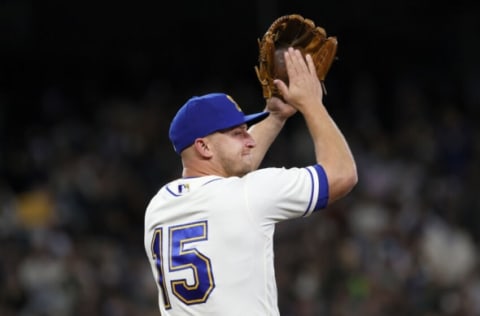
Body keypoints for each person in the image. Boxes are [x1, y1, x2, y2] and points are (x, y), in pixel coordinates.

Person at [144, 47, 357, 315]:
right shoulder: (250, 194)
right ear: (204, 147)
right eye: (237, 134)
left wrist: (276, 116)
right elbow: (342, 173)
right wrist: (312, 104)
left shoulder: (158, 207)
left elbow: (227, 175)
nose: (251, 140)